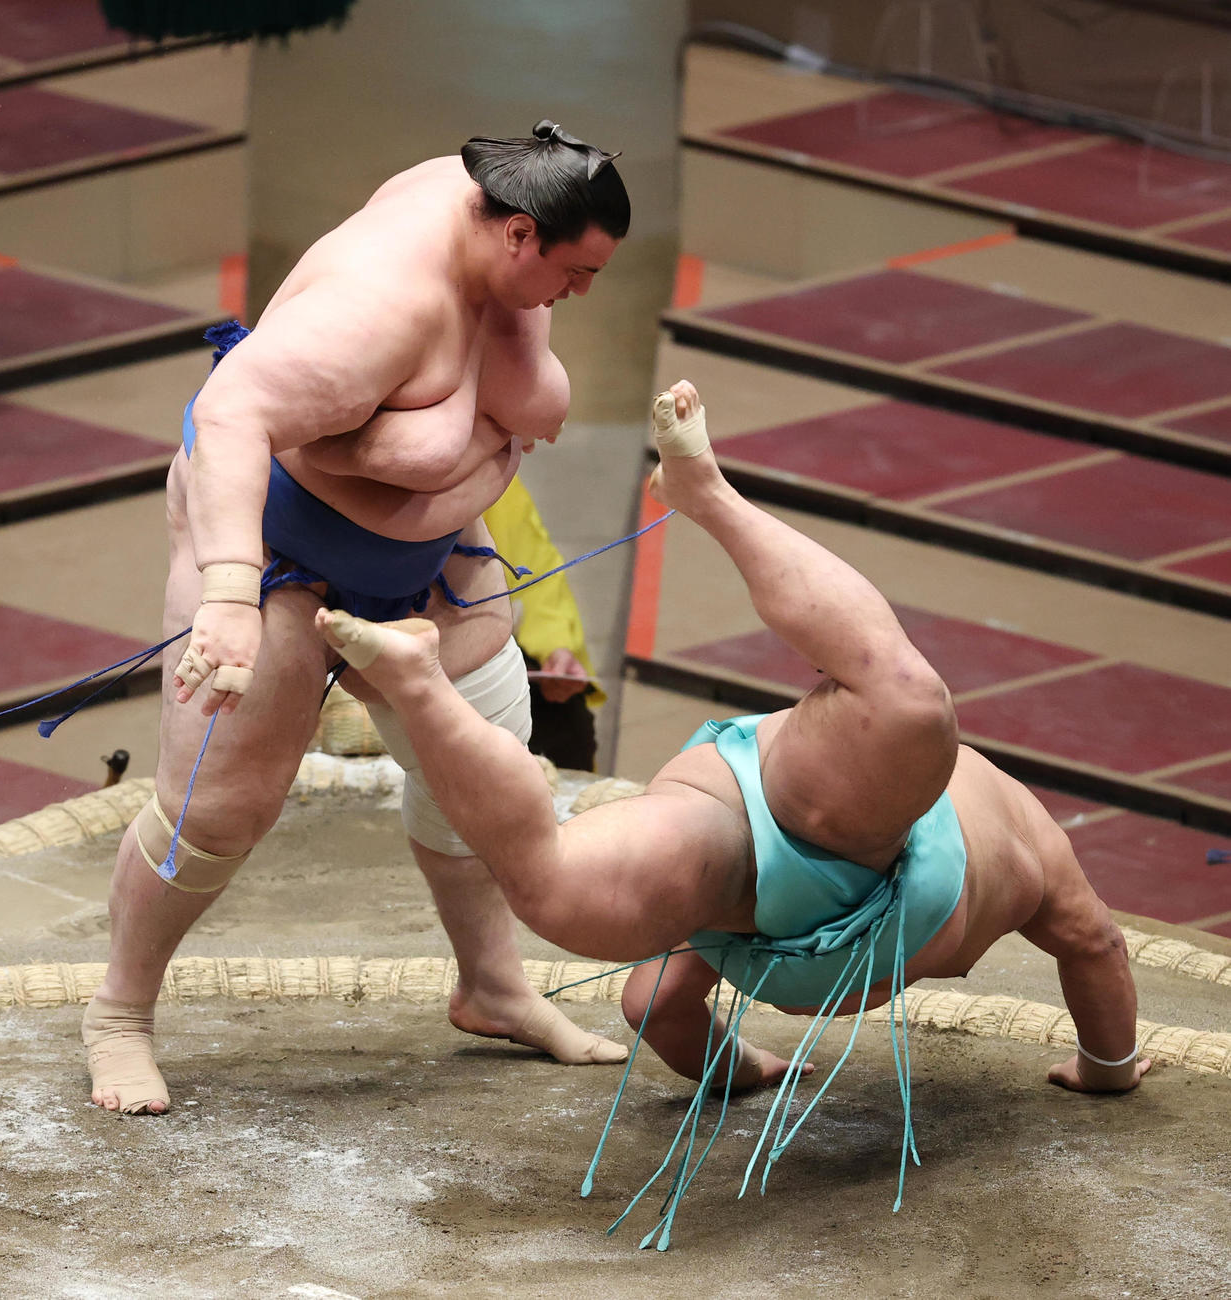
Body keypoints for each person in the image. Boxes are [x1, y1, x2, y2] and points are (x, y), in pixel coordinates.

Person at [314, 380, 1150, 1222]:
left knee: (559, 886)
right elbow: (1094, 942)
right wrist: (1106, 1071)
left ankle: (420, 686)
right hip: (819, 836)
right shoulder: (1030, 836)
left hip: (748, 816)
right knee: (903, 705)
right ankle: (695, 495)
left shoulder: (958, 795)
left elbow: (652, 1007)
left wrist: (741, 1069)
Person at [81, 120, 633, 1115]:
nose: (578, 294)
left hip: (430, 564)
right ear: (516, 234)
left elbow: (490, 407)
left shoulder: (504, 218)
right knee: (217, 809)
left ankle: (492, 984)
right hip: (278, 554)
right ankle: (119, 1012)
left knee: (484, 759)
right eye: (574, 272)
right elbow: (230, 416)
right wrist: (227, 591)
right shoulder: (375, 307)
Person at [482, 475, 605, 771]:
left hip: (493, 654)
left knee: (566, 724)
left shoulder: (490, 471)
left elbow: (535, 575)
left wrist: (556, 648)